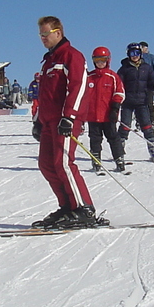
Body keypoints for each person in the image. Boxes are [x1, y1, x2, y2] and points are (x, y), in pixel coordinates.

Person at [32, 16, 103, 229]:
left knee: (64, 163)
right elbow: (44, 95)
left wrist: (69, 116)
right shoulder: (48, 61)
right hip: (48, 121)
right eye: (40, 35)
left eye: (46, 34)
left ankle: (84, 208)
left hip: (66, 120)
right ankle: (67, 206)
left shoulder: (72, 56)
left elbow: (79, 86)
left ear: (58, 32)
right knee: (46, 165)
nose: (43, 38)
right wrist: (37, 120)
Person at [81, 46, 127, 173]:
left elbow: (119, 93)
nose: (100, 63)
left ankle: (119, 159)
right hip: (92, 116)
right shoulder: (89, 77)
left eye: (103, 60)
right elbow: (82, 95)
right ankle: (96, 160)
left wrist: (115, 108)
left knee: (113, 137)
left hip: (108, 115)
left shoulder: (112, 76)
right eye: (97, 60)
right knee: (95, 138)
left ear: (108, 60)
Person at [117, 43, 154, 163]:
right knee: (125, 126)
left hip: (142, 102)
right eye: (132, 53)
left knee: (147, 126)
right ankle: (119, 152)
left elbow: (151, 81)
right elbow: (118, 83)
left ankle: (153, 151)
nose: (134, 56)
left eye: (137, 53)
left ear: (140, 54)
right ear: (128, 54)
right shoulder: (124, 69)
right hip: (128, 102)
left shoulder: (146, 68)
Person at [139, 41, 154, 126]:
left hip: (149, 83)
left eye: (143, 47)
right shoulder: (137, 57)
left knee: (149, 102)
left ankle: (151, 121)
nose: (142, 49)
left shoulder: (151, 57)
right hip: (139, 83)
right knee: (139, 102)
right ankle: (139, 121)